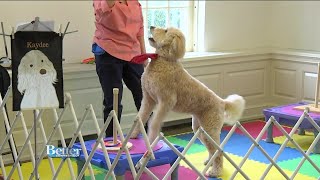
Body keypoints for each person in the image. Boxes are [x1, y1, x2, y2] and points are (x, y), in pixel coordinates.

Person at [92, 0, 147, 137]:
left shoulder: (134, 3)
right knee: (113, 101)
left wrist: (143, 55)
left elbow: (139, 30)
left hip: (132, 53)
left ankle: (150, 136)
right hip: (108, 52)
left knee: (145, 96)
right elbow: (105, 10)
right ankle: (111, 140)